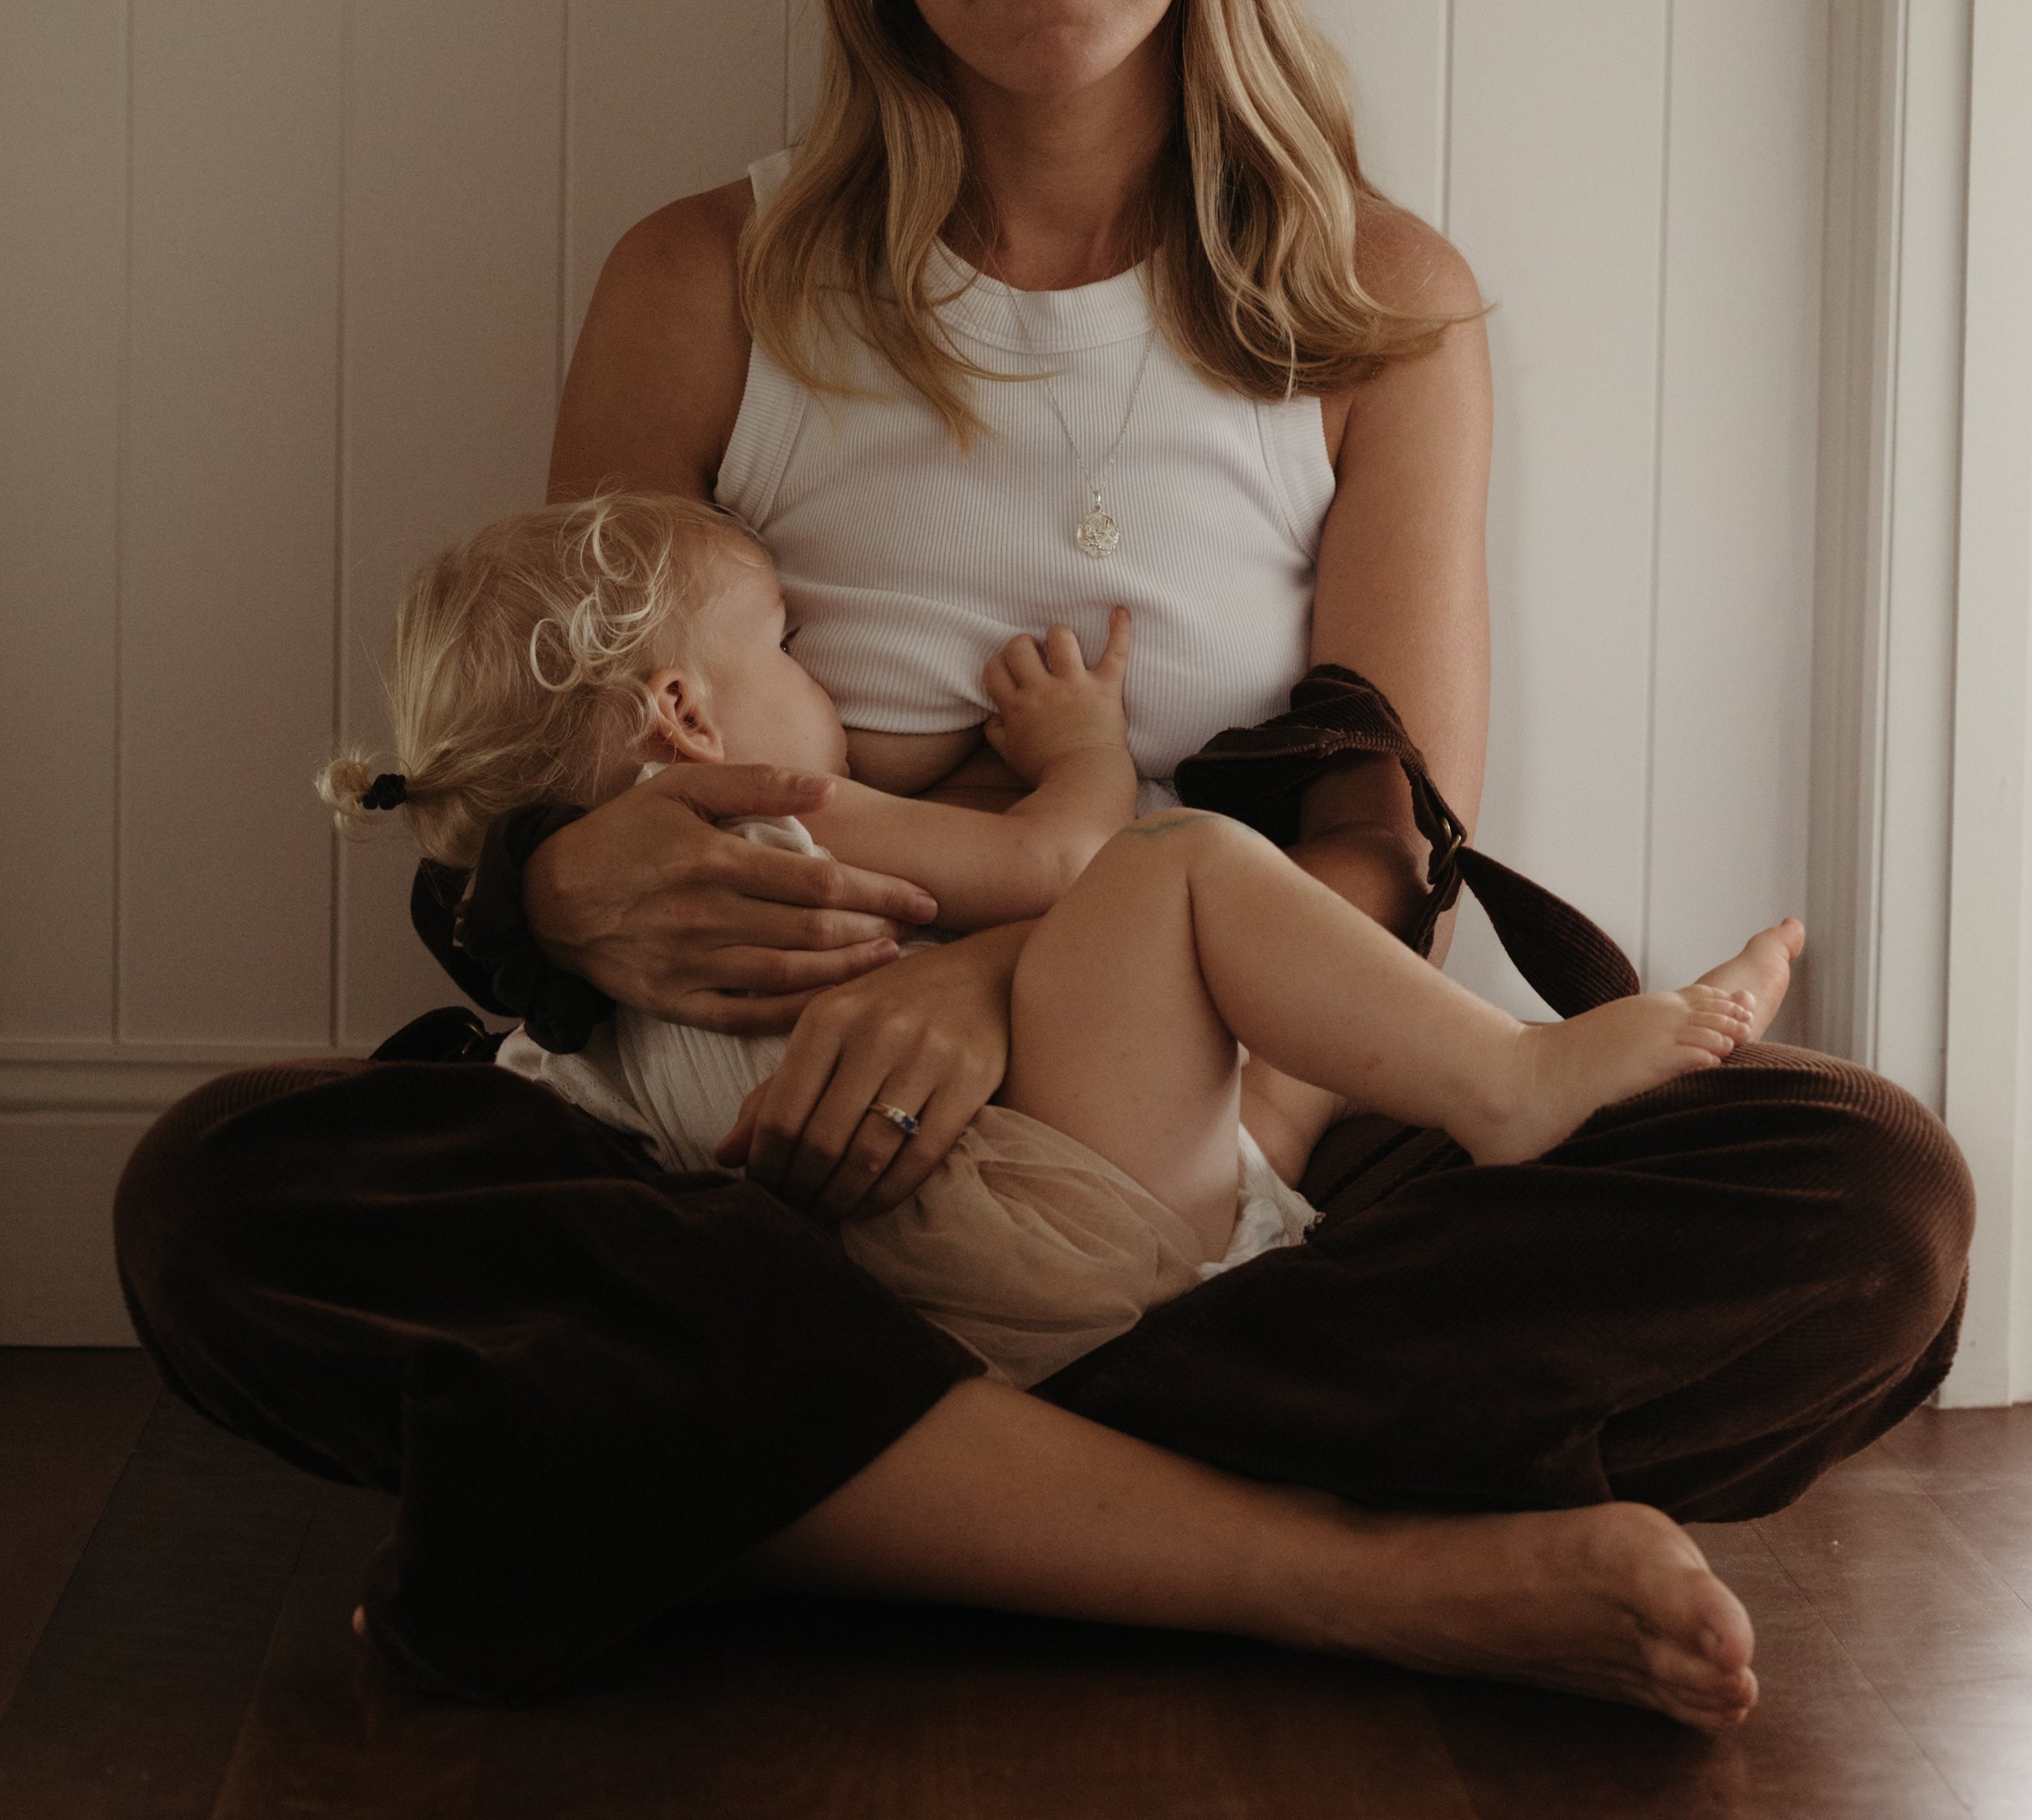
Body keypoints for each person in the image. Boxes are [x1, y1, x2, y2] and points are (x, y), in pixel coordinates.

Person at [116, 0, 1973, 1733]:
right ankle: (1330, 1572)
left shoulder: (1376, 304)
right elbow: (545, 739)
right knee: (229, 1188)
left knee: (1864, 1197)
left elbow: (1379, 863)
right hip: (757, 1167)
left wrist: (1008, 998)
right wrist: (554, 881)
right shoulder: (702, 278)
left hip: (1223, 1163)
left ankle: (772, 1495)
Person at [319, 489, 1800, 1393]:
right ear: (685, 715)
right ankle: (1513, 1080)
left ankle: (973, 1492)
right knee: (1187, 865)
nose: (810, 669)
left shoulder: (553, 1025)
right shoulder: (770, 812)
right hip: (1034, 1205)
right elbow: (1068, 863)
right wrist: (1084, 744)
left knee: (1848, 1167)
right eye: (780, 641)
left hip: (887, 1308)